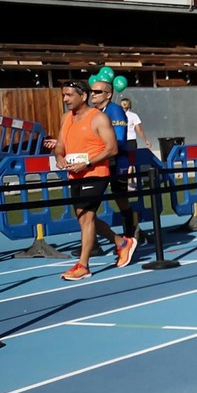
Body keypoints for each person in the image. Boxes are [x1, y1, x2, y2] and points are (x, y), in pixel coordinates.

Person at [55, 80, 135, 280]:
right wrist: (59, 157)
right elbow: (59, 144)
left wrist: (88, 163)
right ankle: (122, 242)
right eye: (63, 95)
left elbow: (112, 148)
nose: (65, 99)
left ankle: (83, 265)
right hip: (75, 173)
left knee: (87, 217)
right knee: (83, 217)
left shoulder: (99, 118)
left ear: (83, 96)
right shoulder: (66, 118)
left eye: (69, 95)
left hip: (96, 172)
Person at [90, 78, 137, 238]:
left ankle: (129, 236)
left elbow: (118, 140)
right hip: (100, 161)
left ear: (108, 94)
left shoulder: (115, 111)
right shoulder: (93, 112)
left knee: (121, 198)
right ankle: (93, 242)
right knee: (89, 205)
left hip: (117, 162)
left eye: (97, 92)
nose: (93, 94)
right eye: (91, 91)